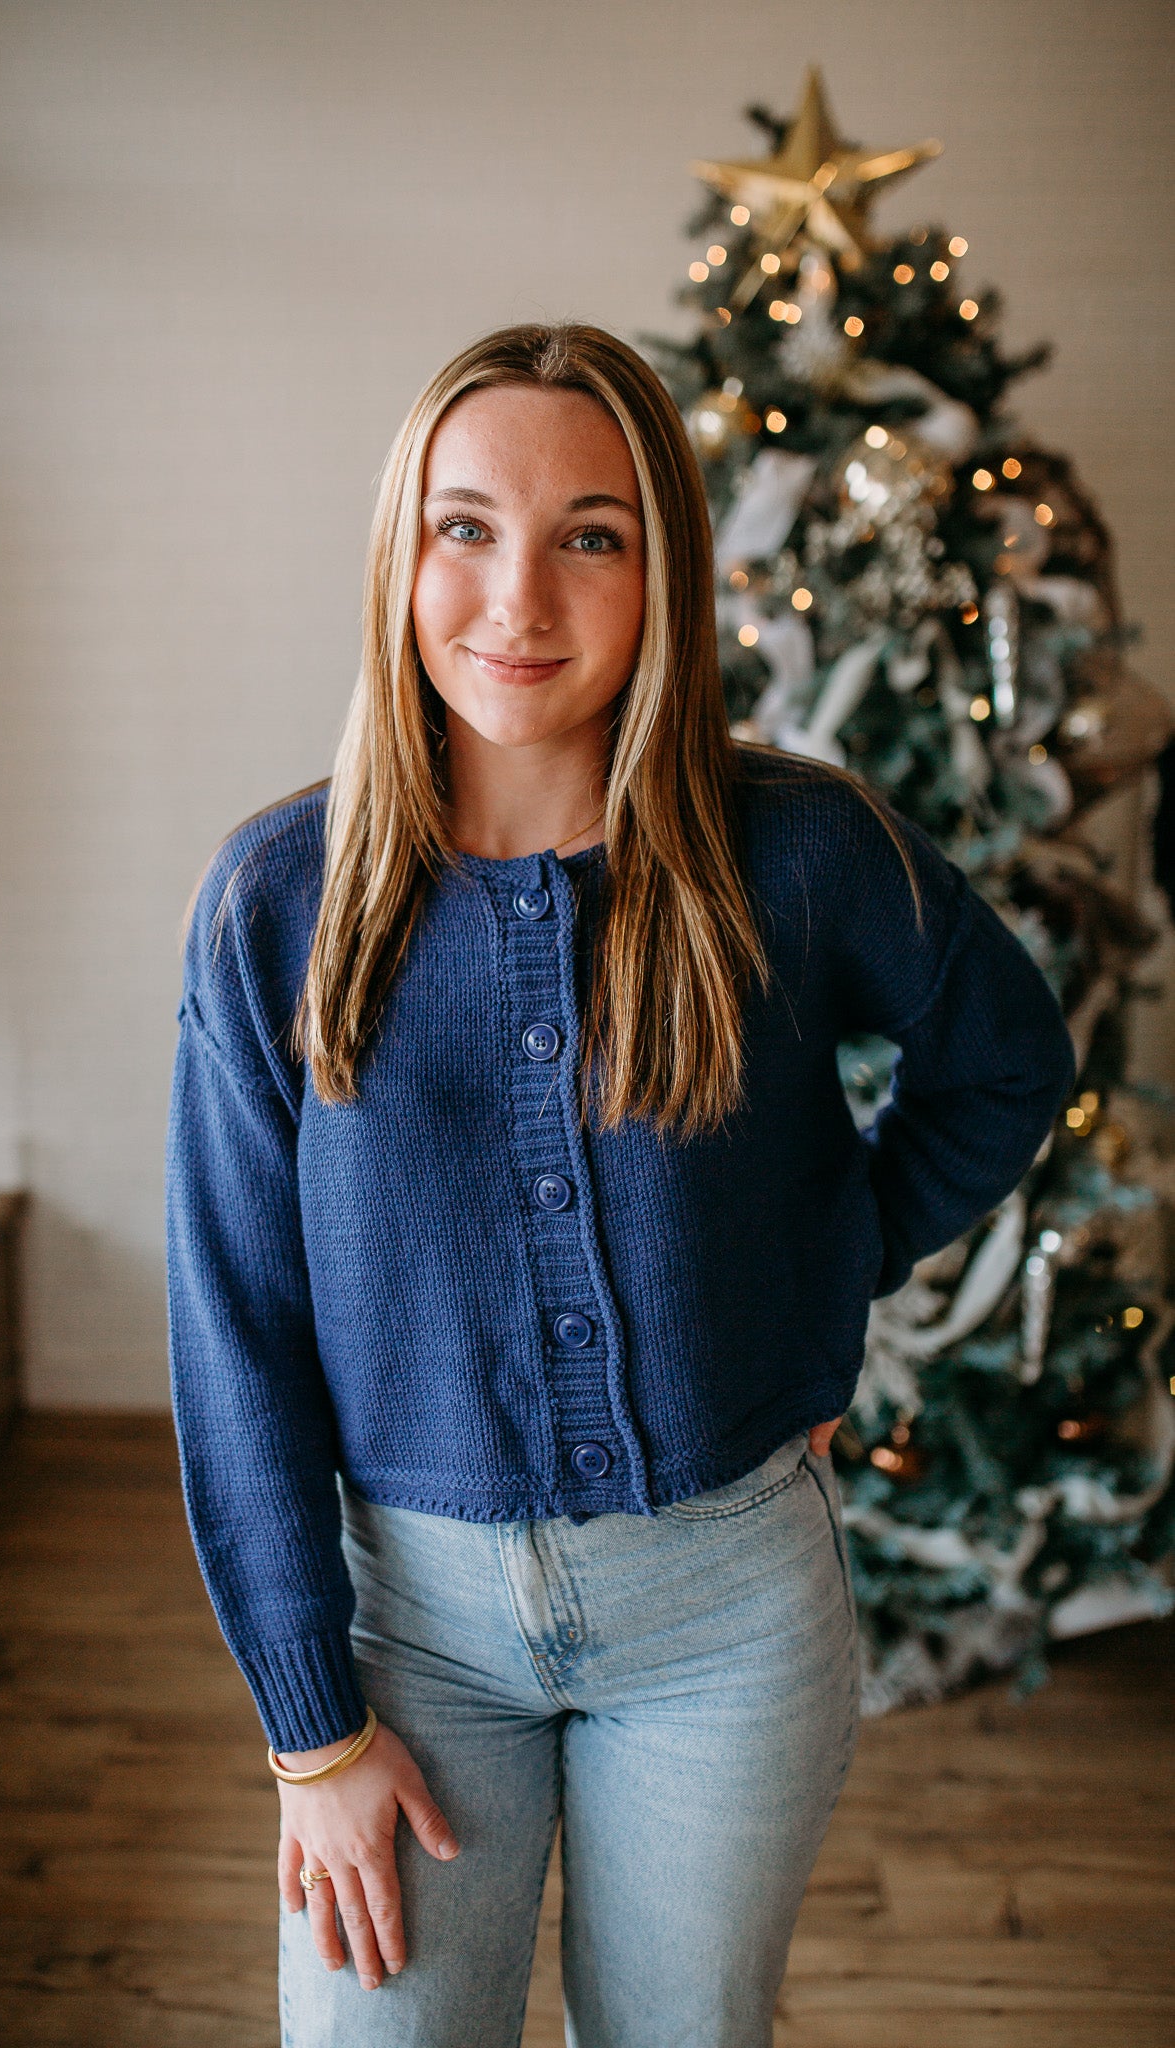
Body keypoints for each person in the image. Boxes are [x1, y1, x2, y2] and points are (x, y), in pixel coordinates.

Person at [165, 322, 1077, 2047]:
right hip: (403, 1646)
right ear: (398, 554)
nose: (519, 598)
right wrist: (312, 1735)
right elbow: (234, 1332)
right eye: (465, 529)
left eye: (591, 534)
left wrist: (823, 1275)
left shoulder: (798, 852)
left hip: (729, 1624)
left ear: (664, 568)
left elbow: (1007, 1060)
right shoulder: (275, 899)